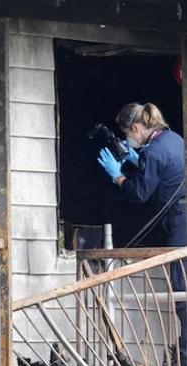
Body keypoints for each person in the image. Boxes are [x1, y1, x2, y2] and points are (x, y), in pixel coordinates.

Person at [97, 102, 186, 364]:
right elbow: (167, 174)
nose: (128, 139)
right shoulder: (173, 139)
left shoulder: (154, 151)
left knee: (182, 294)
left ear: (136, 128)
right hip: (181, 217)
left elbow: (139, 193)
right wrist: (140, 161)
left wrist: (117, 176)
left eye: (126, 133)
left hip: (180, 225)